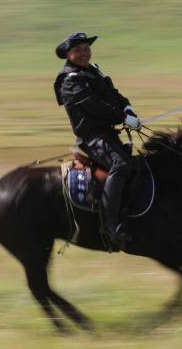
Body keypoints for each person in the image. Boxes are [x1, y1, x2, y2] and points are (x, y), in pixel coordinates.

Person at [53, 32, 140, 244]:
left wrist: (128, 108)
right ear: (68, 54)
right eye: (78, 50)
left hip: (108, 134)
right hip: (92, 137)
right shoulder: (69, 81)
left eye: (86, 48)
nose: (84, 53)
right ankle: (110, 225)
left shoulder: (93, 71)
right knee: (120, 164)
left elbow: (114, 94)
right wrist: (122, 117)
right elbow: (94, 106)